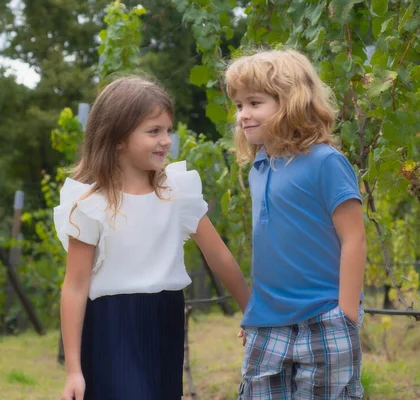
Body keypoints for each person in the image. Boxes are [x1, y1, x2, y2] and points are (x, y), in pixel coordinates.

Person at [53, 75, 250, 400]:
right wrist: (74, 370)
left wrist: (250, 309)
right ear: (117, 138)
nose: (165, 141)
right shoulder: (90, 205)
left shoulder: (177, 192)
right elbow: (74, 286)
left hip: (165, 318)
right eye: (153, 131)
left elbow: (219, 256)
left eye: (168, 130)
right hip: (111, 325)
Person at [225, 49, 366, 399]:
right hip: (266, 324)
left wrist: (346, 315)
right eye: (239, 105)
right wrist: (256, 313)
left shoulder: (325, 162)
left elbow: (354, 239)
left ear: (291, 101)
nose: (243, 115)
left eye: (254, 103)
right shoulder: (259, 166)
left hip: (324, 319)